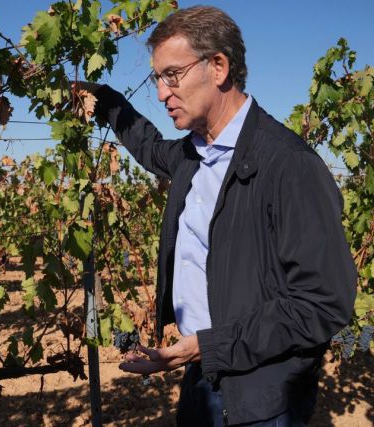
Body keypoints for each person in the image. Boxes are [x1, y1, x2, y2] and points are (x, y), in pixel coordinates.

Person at [85, 6, 356, 426]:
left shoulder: (288, 165)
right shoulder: (194, 155)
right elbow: (150, 148)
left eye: (171, 75)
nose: (161, 93)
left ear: (218, 67)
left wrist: (206, 347)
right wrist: (105, 100)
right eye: (158, 78)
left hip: (262, 397)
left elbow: (322, 304)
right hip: (201, 374)